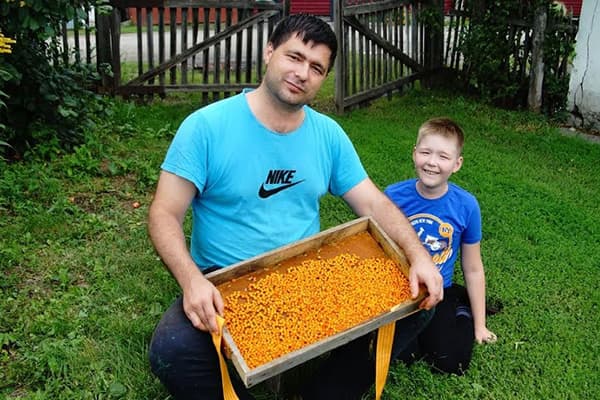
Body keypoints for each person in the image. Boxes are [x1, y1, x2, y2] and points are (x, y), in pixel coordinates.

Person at [147, 14, 443, 399]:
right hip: (227, 281)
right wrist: (192, 282)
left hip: (307, 274)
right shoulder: (206, 127)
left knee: (421, 298)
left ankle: (323, 392)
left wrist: (418, 255)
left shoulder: (328, 135)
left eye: (316, 67)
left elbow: (372, 201)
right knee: (172, 350)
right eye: (294, 57)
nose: (302, 73)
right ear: (269, 53)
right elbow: (163, 214)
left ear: (324, 79)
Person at [384, 117, 497, 375]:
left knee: (451, 363)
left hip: (439, 292)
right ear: (414, 154)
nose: (432, 162)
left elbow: (473, 267)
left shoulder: (466, 206)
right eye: (425, 152)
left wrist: (480, 326)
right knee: (403, 355)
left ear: (457, 164)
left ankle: (461, 305)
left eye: (443, 156)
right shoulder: (392, 196)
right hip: (401, 290)